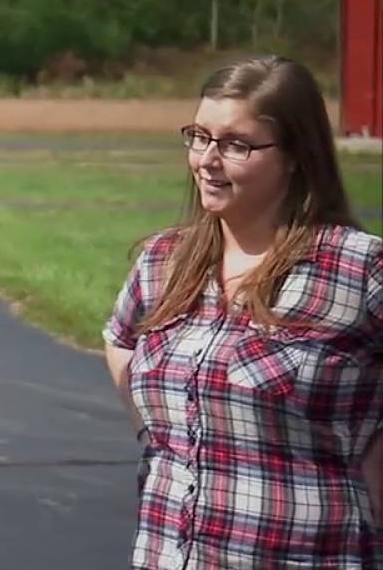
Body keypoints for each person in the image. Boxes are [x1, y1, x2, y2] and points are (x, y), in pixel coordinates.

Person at [103, 56, 383, 569]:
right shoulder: (163, 262)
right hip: (169, 554)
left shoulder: (358, 267)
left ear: (296, 154)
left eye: (236, 144)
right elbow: (119, 339)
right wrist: (155, 435)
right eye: (199, 136)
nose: (207, 159)